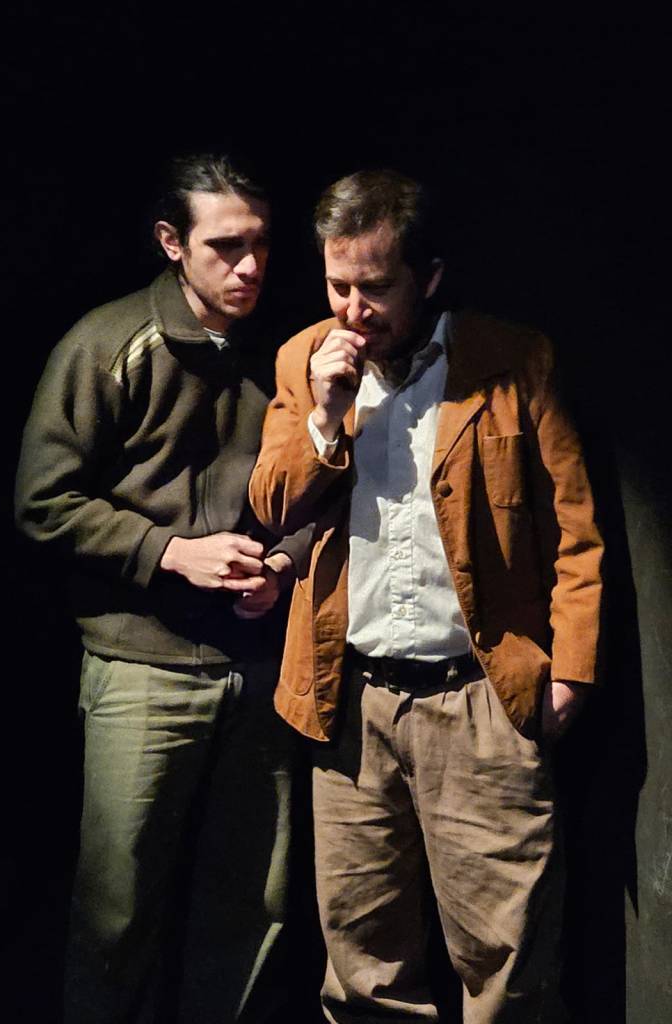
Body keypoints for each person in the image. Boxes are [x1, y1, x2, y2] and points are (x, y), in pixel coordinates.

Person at [248, 169, 604, 1023]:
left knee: (508, 967)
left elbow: (576, 530)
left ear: (429, 276)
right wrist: (325, 420)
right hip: (352, 707)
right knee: (362, 966)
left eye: (375, 287)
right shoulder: (303, 359)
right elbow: (272, 503)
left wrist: (570, 673)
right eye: (337, 285)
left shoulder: (513, 360)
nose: (353, 309)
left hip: (480, 703)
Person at [15, 154, 304, 1024]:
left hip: (260, 669)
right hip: (143, 669)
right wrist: (169, 552)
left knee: (253, 902)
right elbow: (42, 502)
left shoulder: (287, 349)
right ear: (172, 243)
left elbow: (327, 487)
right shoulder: (109, 344)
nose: (249, 266)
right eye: (225, 246)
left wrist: (283, 565)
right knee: (118, 908)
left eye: (260, 244)